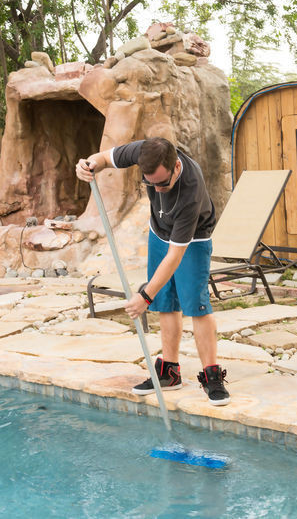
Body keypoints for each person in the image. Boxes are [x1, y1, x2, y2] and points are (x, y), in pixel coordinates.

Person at [75, 137, 230, 406]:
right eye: (151, 184)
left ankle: (211, 375)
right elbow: (103, 158)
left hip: (191, 239)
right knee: (166, 302)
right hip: (159, 232)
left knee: (196, 305)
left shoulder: (190, 190)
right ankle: (169, 372)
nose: (157, 190)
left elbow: (174, 257)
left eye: (162, 183)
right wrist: (90, 165)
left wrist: (144, 295)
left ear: (177, 168)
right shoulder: (145, 151)